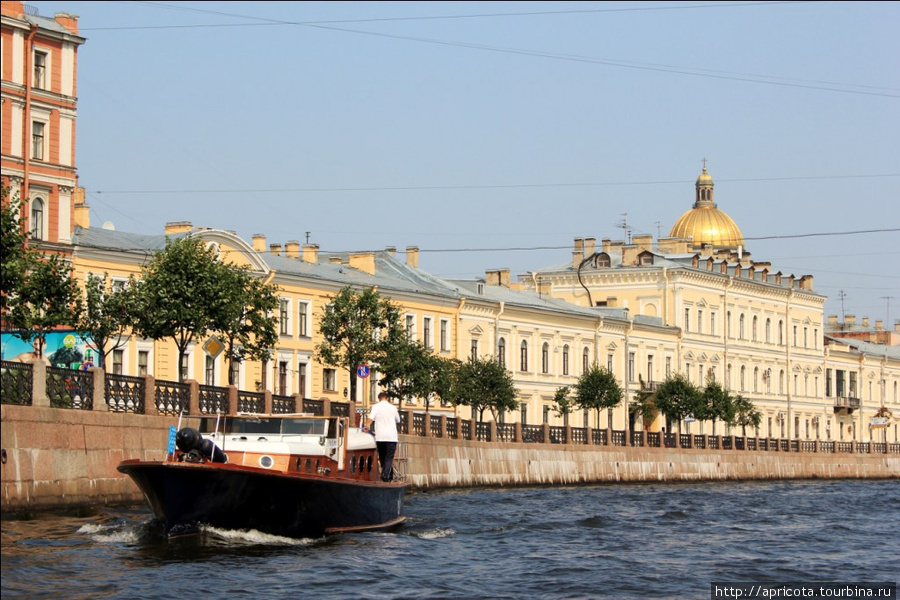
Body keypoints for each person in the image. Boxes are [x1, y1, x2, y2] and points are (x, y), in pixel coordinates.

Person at [368, 391, 401, 482]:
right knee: (389, 457)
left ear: (379, 398)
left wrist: (367, 427)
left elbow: (370, 418)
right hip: (391, 437)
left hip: (380, 437)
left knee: (382, 457)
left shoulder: (375, 407)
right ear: (387, 398)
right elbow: (398, 420)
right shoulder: (393, 408)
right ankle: (385, 475)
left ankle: (388, 477)